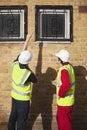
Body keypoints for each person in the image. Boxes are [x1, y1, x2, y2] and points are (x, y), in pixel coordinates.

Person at [8, 34, 37, 130]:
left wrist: (27, 40)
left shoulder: (15, 64)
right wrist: (28, 68)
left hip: (14, 98)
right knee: (21, 121)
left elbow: (22, 53)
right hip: (23, 102)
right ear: (28, 62)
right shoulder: (28, 74)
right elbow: (35, 80)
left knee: (12, 118)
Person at [55, 49, 75, 130]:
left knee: (64, 126)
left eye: (58, 58)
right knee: (65, 123)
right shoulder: (69, 67)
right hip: (68, 102)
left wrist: (60, 94)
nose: (57, 60)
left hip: (64, 102)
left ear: (61, 60)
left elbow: (66, 84)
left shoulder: (64, 70)